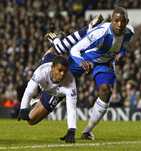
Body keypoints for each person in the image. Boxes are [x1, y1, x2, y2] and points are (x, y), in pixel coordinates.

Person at [48, 6, 134, 140]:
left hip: (104, 63)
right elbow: (75, 49)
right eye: (116, 21)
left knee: (106, 90)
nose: (119, 24)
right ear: (111, 20)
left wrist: (121, 54)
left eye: (123, 21)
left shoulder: (129, 32)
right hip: (85, 58)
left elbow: (123, 46)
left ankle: (87, 131)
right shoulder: (100, 33)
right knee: (60, 81)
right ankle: (56, 40)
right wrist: (82, 62)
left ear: (127, 22)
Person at [18, 55, 77, 143]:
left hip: (56, 93)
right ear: (52, 68)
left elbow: (71, 109)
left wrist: (71, 131)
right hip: (45, 80)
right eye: (60, 70)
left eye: (64, 71)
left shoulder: (70, 83)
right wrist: (23, 108)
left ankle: (38, 101)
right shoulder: (41, 71)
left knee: (32, 120)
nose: (62, 74)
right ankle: (36, 100)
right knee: (30, 120)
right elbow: (29, 91)